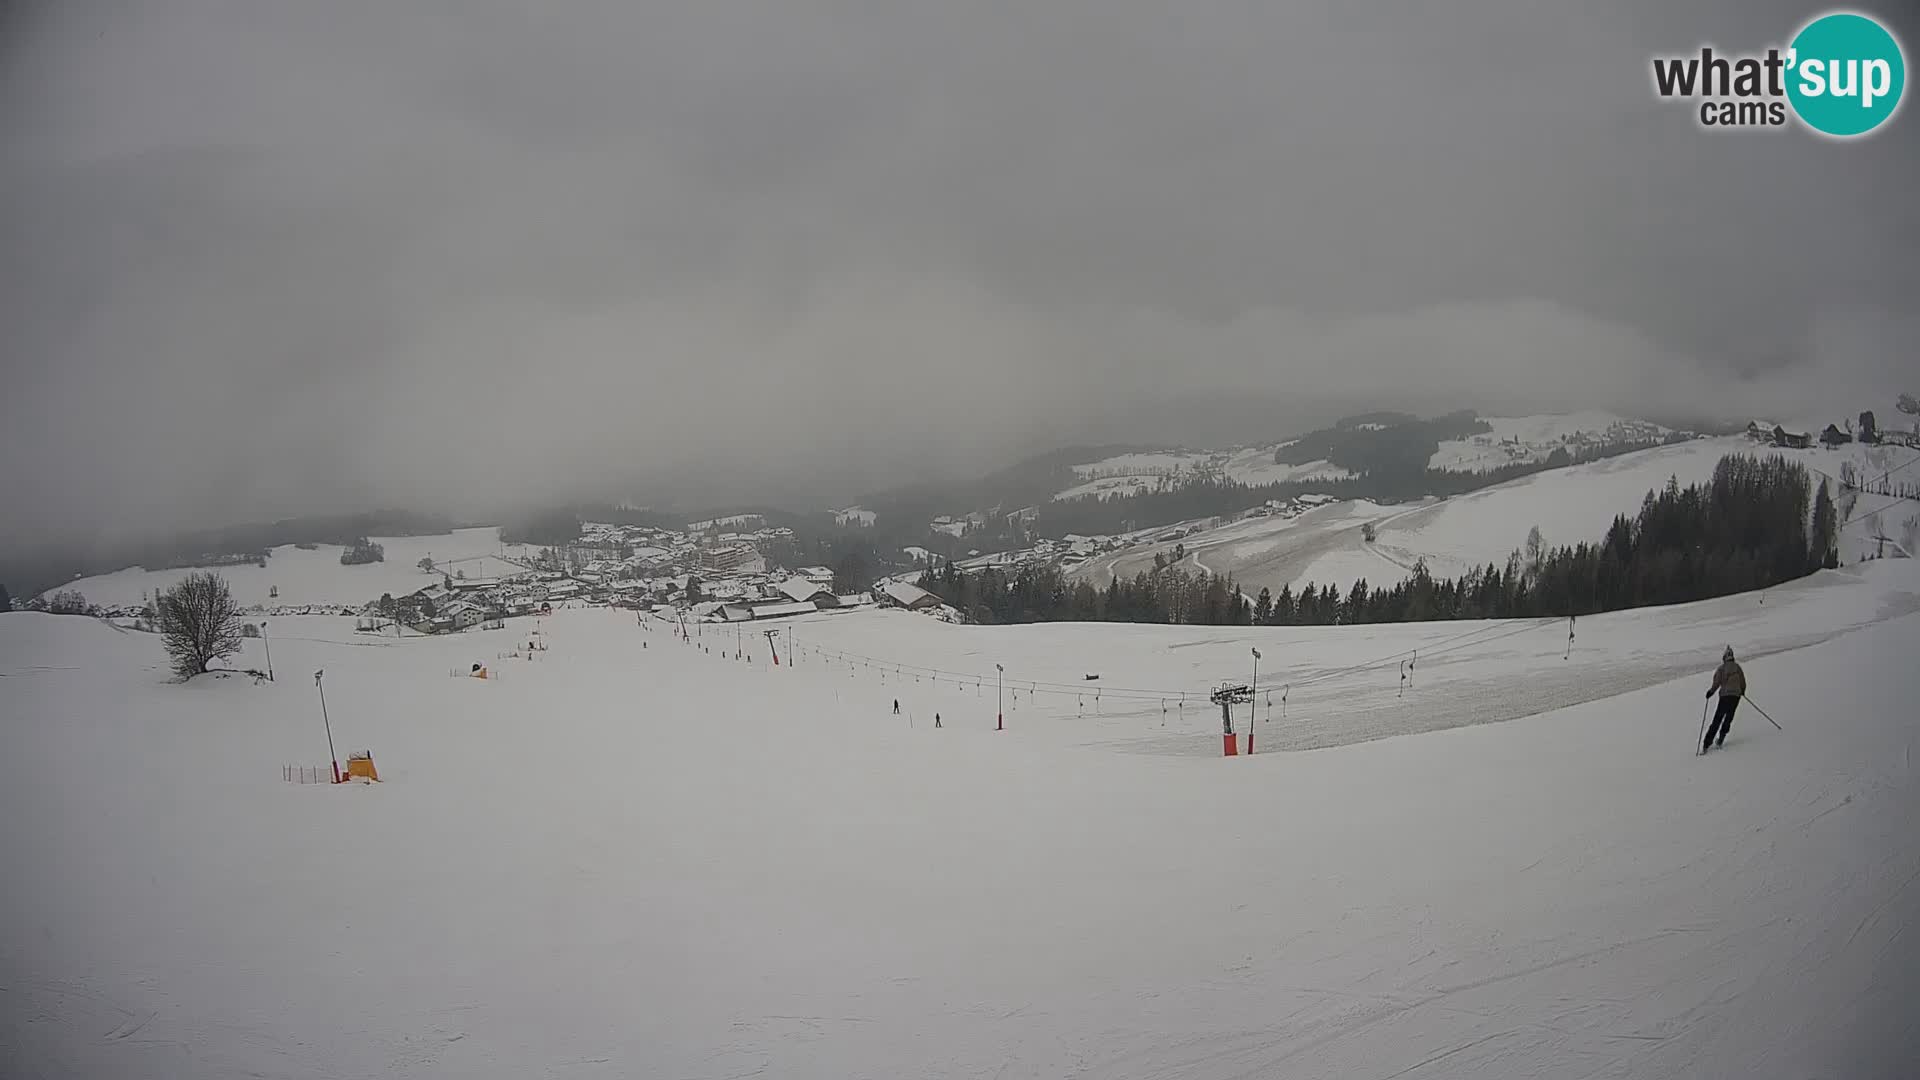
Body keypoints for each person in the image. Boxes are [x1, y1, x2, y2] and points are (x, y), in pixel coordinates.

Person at [1703, 646, 1746, 752]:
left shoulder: (1721, 669)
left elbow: (1716, 683)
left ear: (1724, 657)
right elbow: (1742, 682)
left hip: (1725, 696)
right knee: (1728, 718)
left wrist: (1711, 692)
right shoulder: (1737, 667)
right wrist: (1742, 692)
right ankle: (1721, 739)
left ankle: (1706, 744)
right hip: (1736, 696)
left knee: (1717, 719)